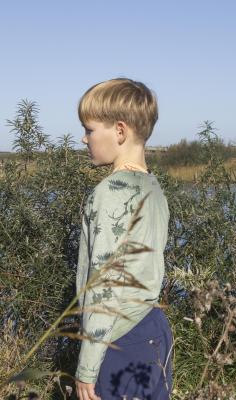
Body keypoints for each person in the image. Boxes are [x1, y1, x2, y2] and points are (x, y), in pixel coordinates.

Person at [75, 78, 173, 400]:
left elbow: (105, 285)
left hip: (119, 339)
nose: (83, 138)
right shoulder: (154, 189)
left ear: (119, 131)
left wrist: (87, 368)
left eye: (89, 129)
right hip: (154, 328)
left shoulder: (108, 195)